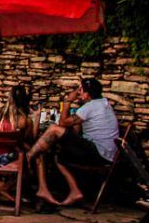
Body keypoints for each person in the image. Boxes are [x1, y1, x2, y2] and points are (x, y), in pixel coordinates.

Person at [29, 78, 119, 206]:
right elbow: (78, 129)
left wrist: (68, 101)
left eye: (81, 91)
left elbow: (62, 123)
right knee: (59, 157)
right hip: (107, 154)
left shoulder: (90, 107)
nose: (79, 94)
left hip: (99, 152)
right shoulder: (103, 103)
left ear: (87, 94)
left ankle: (27, 158)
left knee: (54, 130)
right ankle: (74, 191)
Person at [0, 85, 33, 168]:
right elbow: (30, 140)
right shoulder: (25, 120)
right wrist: (37, 117)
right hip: (5, 158)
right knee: (34, 153)